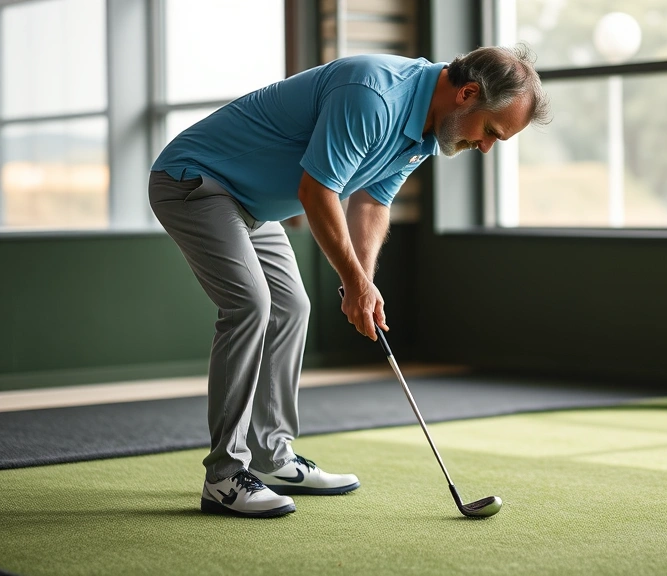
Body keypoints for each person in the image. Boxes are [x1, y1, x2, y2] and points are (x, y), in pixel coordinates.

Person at [149, 44, 550, 518]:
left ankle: (272, 457)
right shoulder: (375, 95)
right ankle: (223, 477)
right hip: (195, 181)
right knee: (251, 305)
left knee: (291, 307)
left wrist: (363, 279)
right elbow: (317, 190)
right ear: (466, 93)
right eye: (489, 132)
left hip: (251, 207)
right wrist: (354, 283)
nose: (484, 147)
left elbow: (374, 201)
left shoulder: (427, 131)